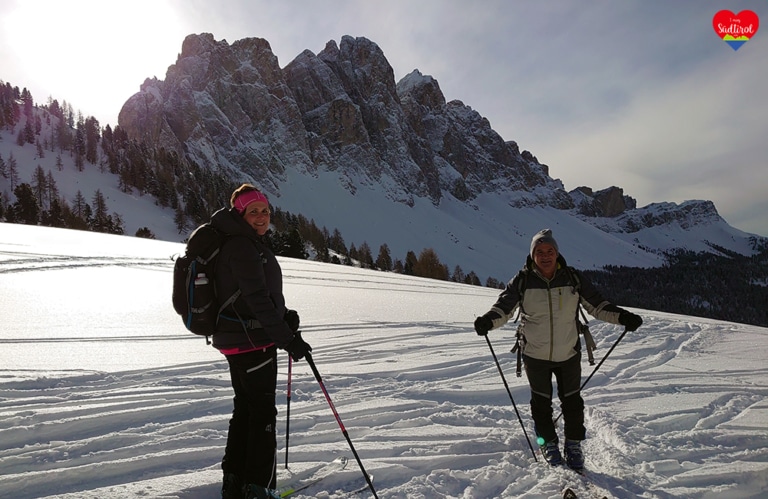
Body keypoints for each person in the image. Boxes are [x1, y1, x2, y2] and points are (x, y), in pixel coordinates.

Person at [473, 229, 642, 471]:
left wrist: (623, 317)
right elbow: (503, 308)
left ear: (557, 253)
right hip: (535, 354)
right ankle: (548, 443)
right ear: (532, 255)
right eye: (539, 252)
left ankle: (573, 444)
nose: (545, 256)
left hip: (568, 353)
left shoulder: (573, 278)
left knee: (572, 403)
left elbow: (597, 305)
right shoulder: (522, 281)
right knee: (540, 404)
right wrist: (488, 321)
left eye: (549, 251)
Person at [210, 183, 312, 499]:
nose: (260, 216)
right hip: (253, 343)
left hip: (237, 338)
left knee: (246, 409)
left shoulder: (237, 243)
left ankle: (235, 481)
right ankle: (258, 488)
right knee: (262, 414)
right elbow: (255, 298)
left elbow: (249, 297)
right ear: (240, 213)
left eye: (265, 210)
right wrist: (288, 339)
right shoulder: (243, 246)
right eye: (252, 211)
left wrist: (284, 316)